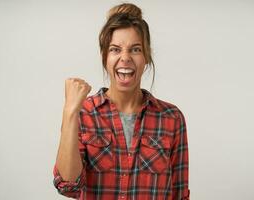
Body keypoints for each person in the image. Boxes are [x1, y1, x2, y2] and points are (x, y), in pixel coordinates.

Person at [53, 3, 190, 200]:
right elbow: (68, 186)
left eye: (135, 49)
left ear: (146, 57)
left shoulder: (172, 118)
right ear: (105, 57)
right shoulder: (84, 113)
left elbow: (179, 194)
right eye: (115, 49)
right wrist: (70, 112)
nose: (125, 58)